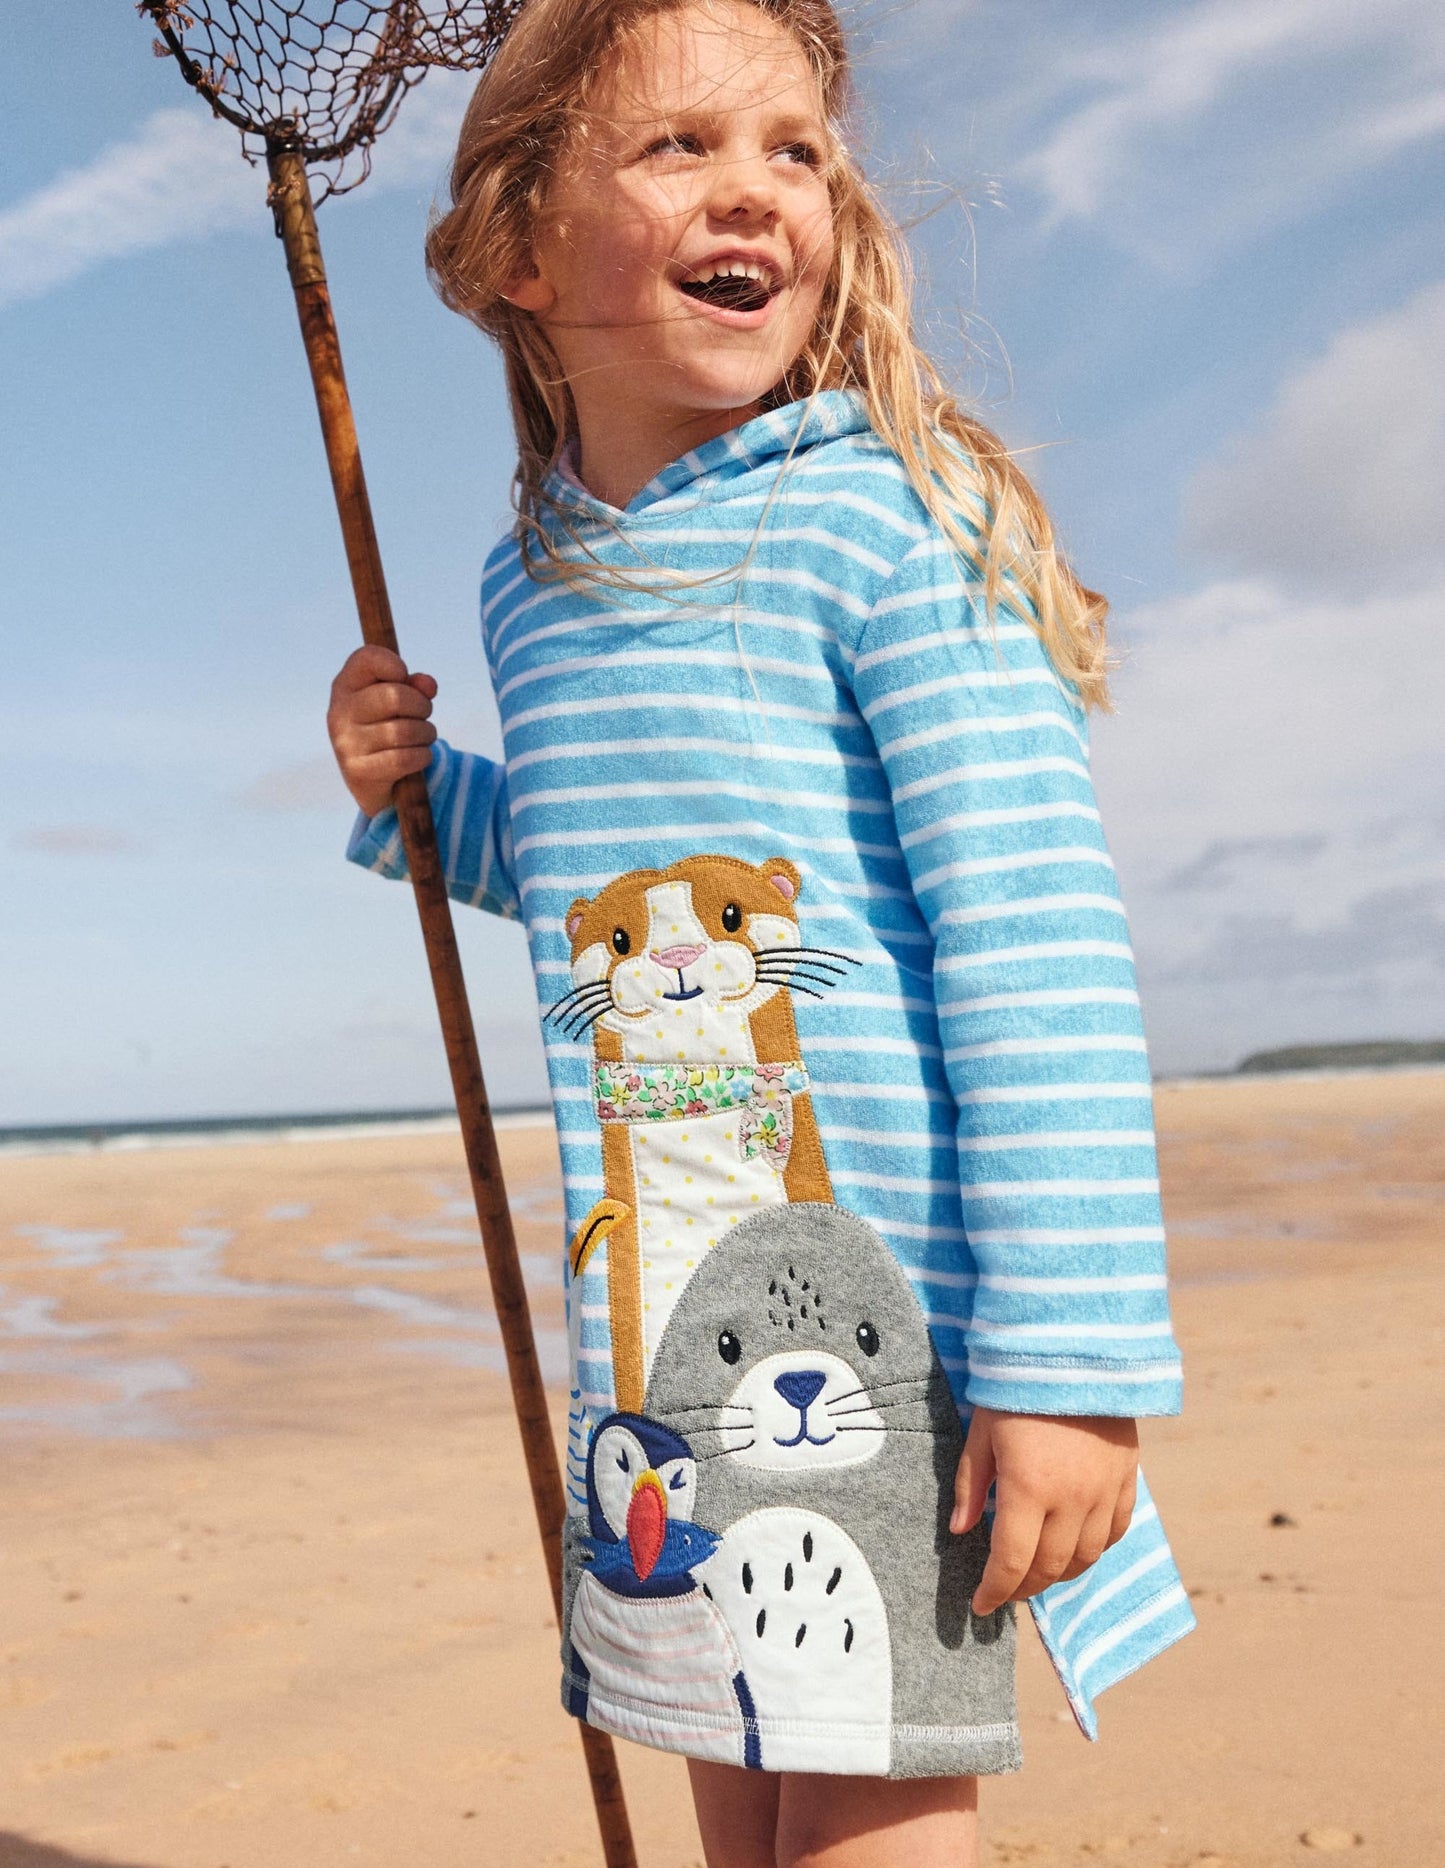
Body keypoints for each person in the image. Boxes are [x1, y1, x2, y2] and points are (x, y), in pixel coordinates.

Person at [325, 2, 1192, 1862]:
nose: (761, 191)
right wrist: (420, 795)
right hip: (658, 1289)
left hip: (868, 1312)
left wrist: (1068, 1367)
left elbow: (1035, 955)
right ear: (513, 254)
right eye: (680, 147)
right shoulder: (528, 582)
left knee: (866, 1800)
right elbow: (594, 879)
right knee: (728, 1749)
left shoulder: (888, 525)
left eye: (795, 150)